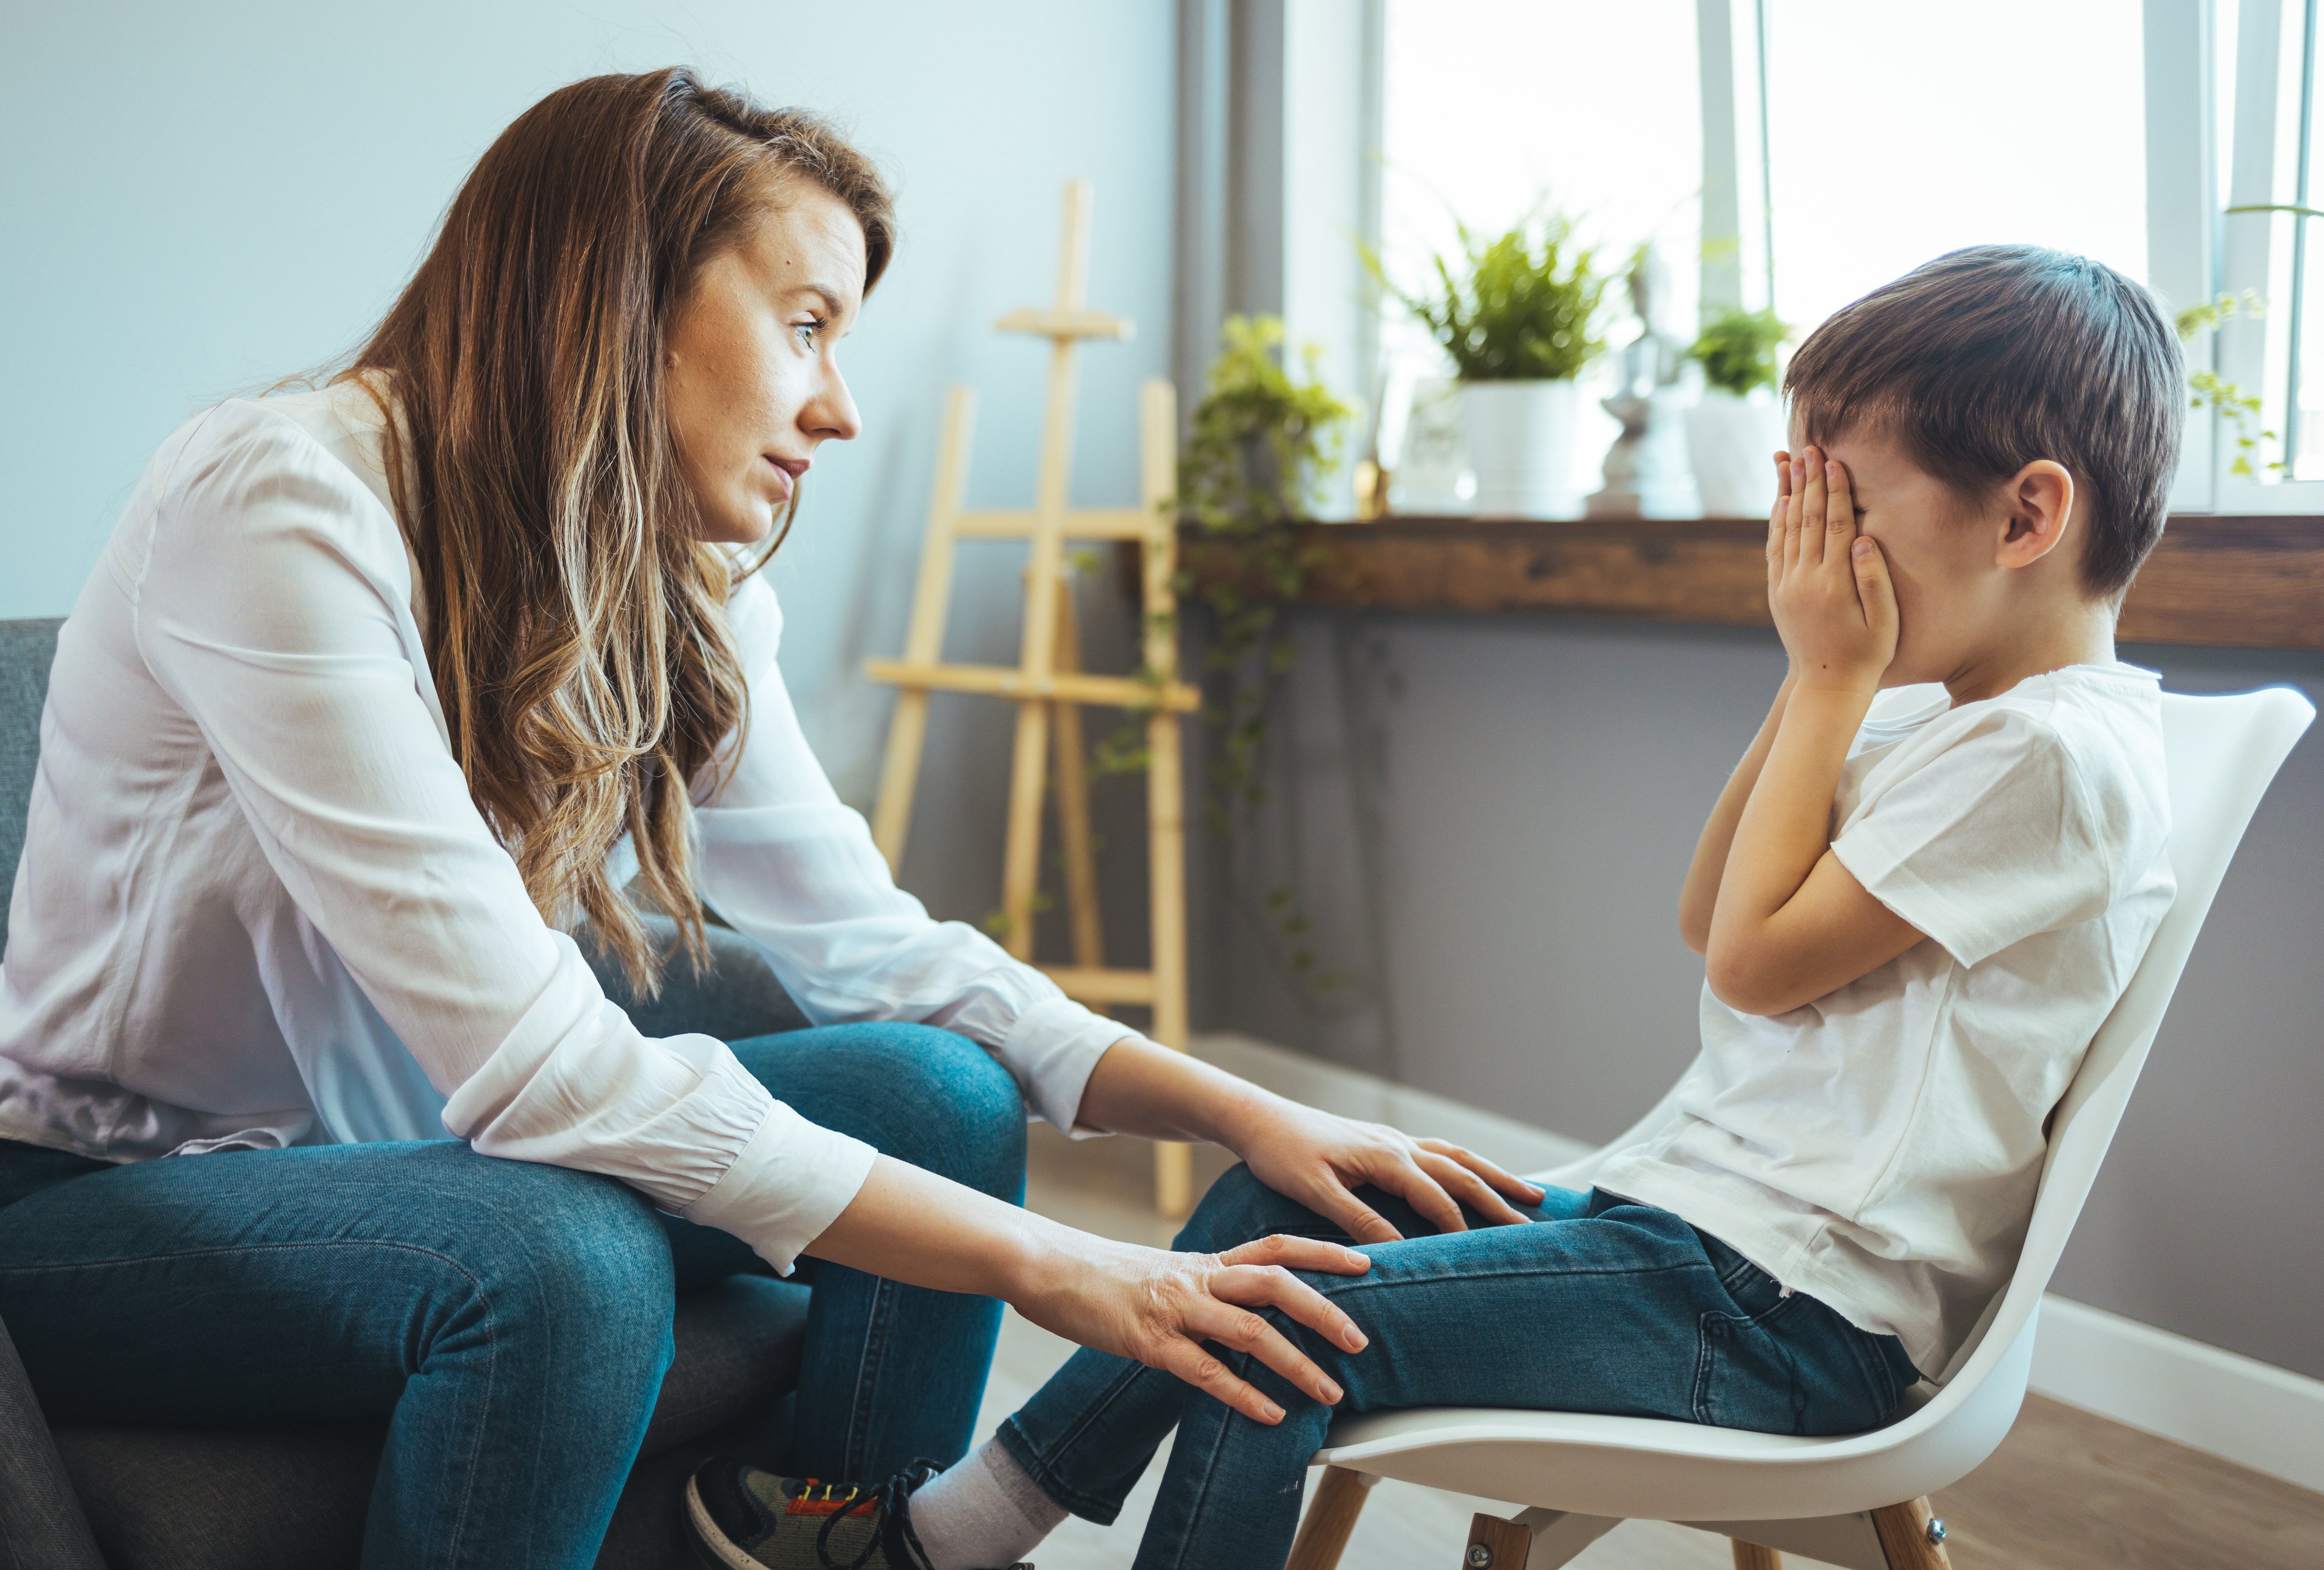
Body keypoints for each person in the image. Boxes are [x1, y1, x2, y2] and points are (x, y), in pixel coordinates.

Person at [0, 69, 1540, 1570]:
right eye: (805, 325)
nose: (841, 406)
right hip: (106, 1203)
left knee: (939, 1086)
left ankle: (846, 1543)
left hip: (415, 1154)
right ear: (612, 295)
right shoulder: (277, 500)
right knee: (571, 1268)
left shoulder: (681, 581)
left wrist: (1249, 1109)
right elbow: (542, 1072)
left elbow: (876, 948)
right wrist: (1073, 1267)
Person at [759, 244, 2186, 1570]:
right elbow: (1711, 910)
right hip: (1686, 1239)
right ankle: (963, 1531)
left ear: (2029, 512)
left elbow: (1751, 964)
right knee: (1294, 1192)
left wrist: (1829, 683)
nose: (1821, 553)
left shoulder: (2056, 756)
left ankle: (938, 1544)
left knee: (1283, 1321)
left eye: (1850, 508)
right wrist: (1824, 678)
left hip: (1793, 1314)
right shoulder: (1935, 720)